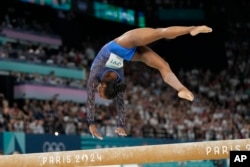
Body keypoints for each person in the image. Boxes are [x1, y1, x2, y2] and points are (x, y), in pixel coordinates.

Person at [86, 25, 213, 140]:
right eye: (100, 93)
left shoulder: (96, 73)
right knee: (163, 65)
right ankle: (181, 88)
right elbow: (120, 101)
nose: (97, 92)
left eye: (100, 92)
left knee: (159, 33)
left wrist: (91, 124)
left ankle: (191, 29)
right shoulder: (118, 82)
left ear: (103, 84)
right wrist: (120, 125)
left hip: (122, 43)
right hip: (131, 54)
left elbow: (90, 98)